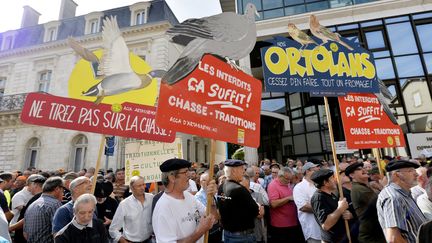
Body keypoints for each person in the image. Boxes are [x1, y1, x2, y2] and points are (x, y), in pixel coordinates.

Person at [152, 158, 216, 243]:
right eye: (185, 172)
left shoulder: (189, 196)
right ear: (172, 177)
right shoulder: (163, 208)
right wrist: (200, 231)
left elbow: (212, 218)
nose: (189, 175)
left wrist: (211, 198)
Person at [377, 160, 427, 243]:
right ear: (397, 174)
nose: (416, 174)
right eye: (410, 171)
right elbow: (393, 238)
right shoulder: (393, 198)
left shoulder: (403, 193)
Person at [217, 159, 263, 243]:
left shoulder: (221, 187)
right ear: (234, 171)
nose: (244, 171)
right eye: (242, 168)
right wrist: (258, 207)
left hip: (228, 234)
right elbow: (255, 211)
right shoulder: (239, 189)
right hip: (242, 236)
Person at [345, 162, 386, 243]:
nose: (364, 170)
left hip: (376, 233)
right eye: (359, 169)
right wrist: (385, 187)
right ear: (352, 175)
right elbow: (382, 204)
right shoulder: (359, 189)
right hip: (371, 236)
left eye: (363, 168)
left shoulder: (363, 186)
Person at [310, 169, 353, 243]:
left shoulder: (331, 195)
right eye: (332, 178)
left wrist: (349, 215)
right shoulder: (318, 198)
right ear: (325, 182)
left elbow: (338, 214)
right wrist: (340, 209)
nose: (335, 179)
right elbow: (326, 225)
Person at [109, 176, 153, 243]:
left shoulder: (151, 198)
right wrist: (123, 241)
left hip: (149, 240)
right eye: (139, 186)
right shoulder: (124, 204)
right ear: (132, 188)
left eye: (143, 184)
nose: (142, 188)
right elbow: (113, 229)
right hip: (130, 240)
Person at [268, 167, 304, 242]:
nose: (289, 181)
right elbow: (273, 204)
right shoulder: (273, 185)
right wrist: (288, 199)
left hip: (292, 222)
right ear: (280, 176)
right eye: (287, 179)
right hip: (281, 225)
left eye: (290, 179)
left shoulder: (286, 183)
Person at [24, 176, 64, 243]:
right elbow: (59, 232)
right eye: (63, 189)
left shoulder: (32, 204)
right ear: (57, 189)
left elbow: (25, 234)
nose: (63, 193)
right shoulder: (54, 204)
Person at [9, 174, 46, 243]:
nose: (28, 187)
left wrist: (10, 228)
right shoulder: (21, 195)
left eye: (29, 185)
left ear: (34, 184)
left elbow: (27, 218)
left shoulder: (38, 198)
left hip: (27, 233)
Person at [293, 162, 321, 243]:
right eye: (315, 170)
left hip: (327, 229)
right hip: (313, 230)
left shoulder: (319, 185)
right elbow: (303, 207)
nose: (318, 171)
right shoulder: (299, 187)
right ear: (308, 171)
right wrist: (324, 208)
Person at [240, 175, 266, 243]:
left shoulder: (257, 195)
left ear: (249, 185)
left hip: (256, 233)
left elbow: (260, 214)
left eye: (245, 187)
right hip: (242, 235)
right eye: (241, 187)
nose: (242, 190)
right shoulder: (237, 196)